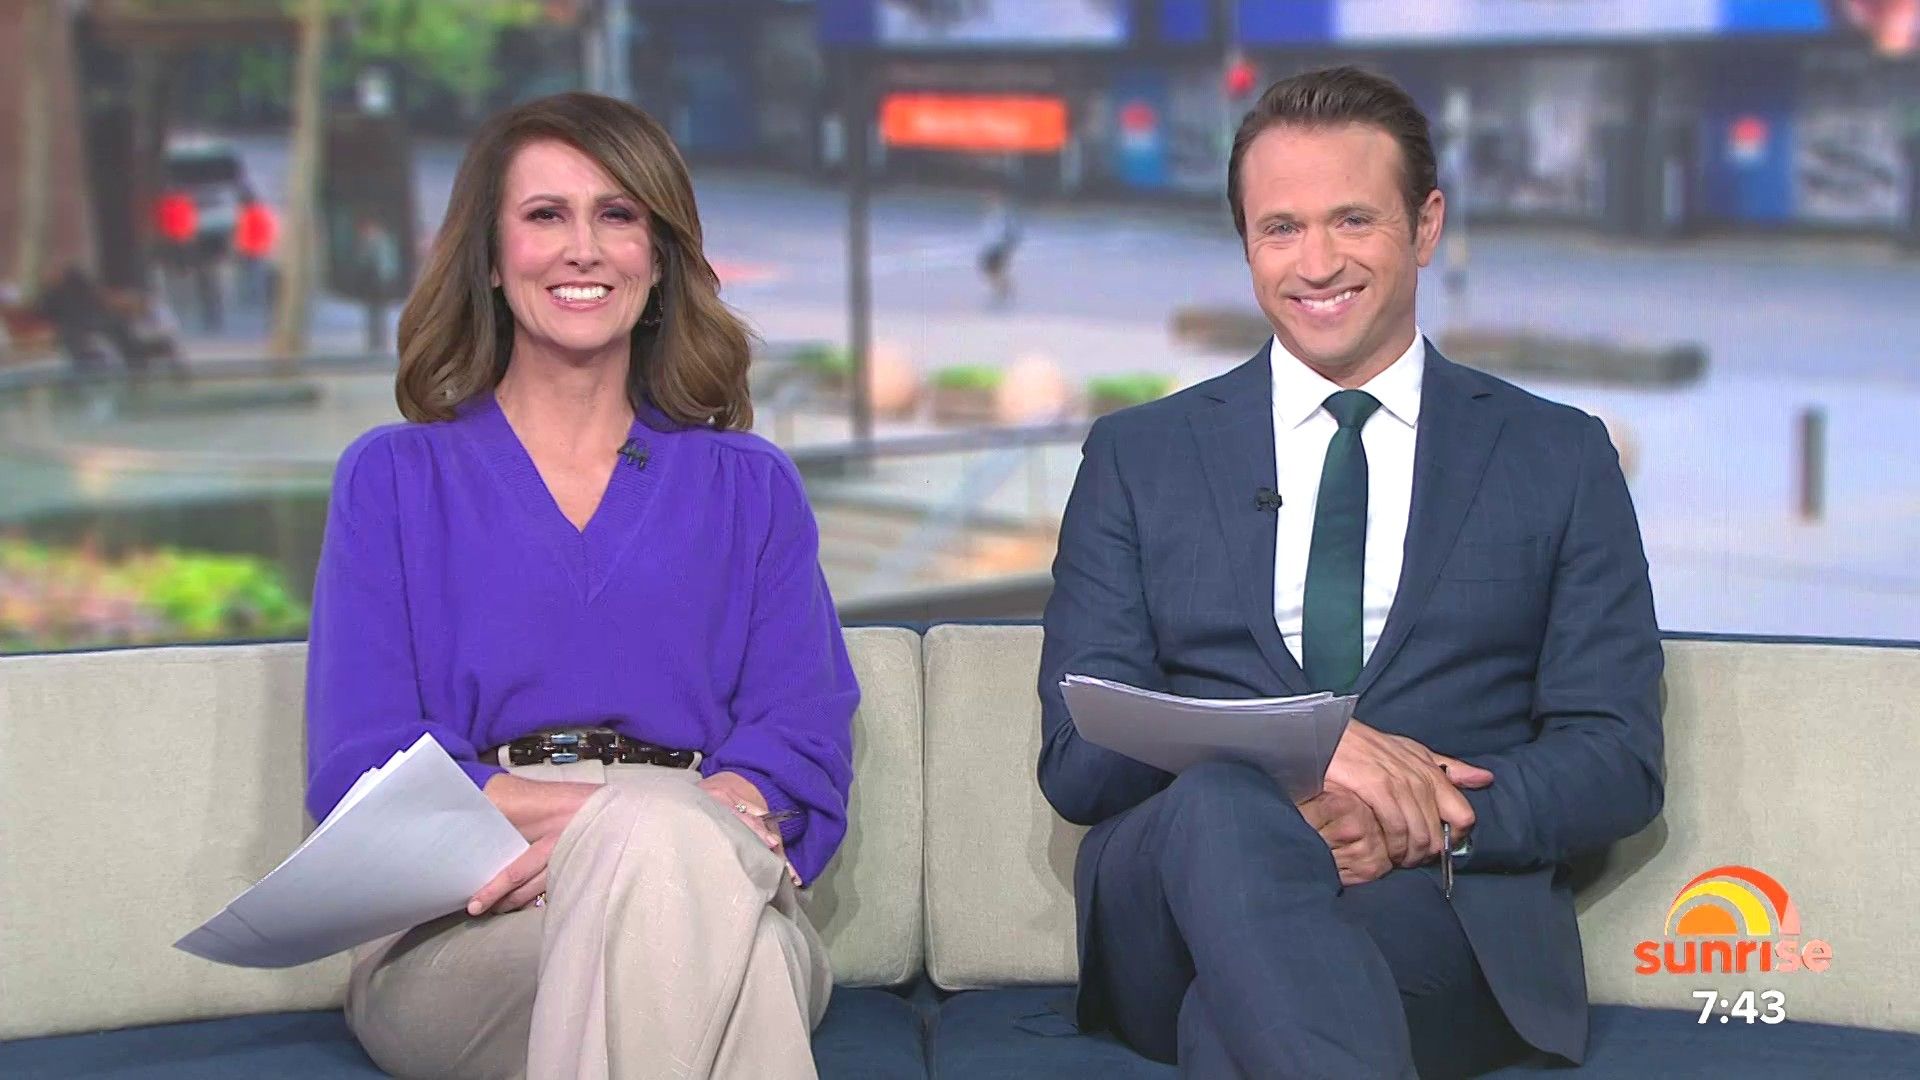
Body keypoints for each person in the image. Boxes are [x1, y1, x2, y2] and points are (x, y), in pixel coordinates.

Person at [1038, 67, 1662, 1078]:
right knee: (1220, 809)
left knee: (1238, 1021)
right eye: (1281, 228)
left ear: (1426, 226)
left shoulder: (1556, 457)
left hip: (1434, 903)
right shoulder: (1138, 457)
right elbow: (1078, 754)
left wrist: (1414, 824)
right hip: (1172, 899)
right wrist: (1308, 753)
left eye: (1353, 221)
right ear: (1246, 243)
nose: (1317, 263)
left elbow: (1615, 755)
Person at [304, 92, 858, 1079]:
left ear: (659, 256)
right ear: (490, 255)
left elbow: (801, 733)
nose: (583, 248)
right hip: (475, 900)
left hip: (709, 858)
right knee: (731, 956)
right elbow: (363, 759)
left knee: (699, 912)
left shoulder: (752, 486)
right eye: (545, 215)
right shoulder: (392, 479)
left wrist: (657, 840)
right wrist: (620, 831)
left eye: (618, 215)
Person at [978, 190, 1021, 307]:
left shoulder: (1001, 214)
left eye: (990, 199)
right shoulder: (992, 213)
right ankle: (1004, 290)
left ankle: (1004, 291)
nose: (987, 202)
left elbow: (1011, 230)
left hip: (999, 246)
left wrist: (1008, 247)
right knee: (992, 270)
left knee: (993, 269)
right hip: (993, 245)